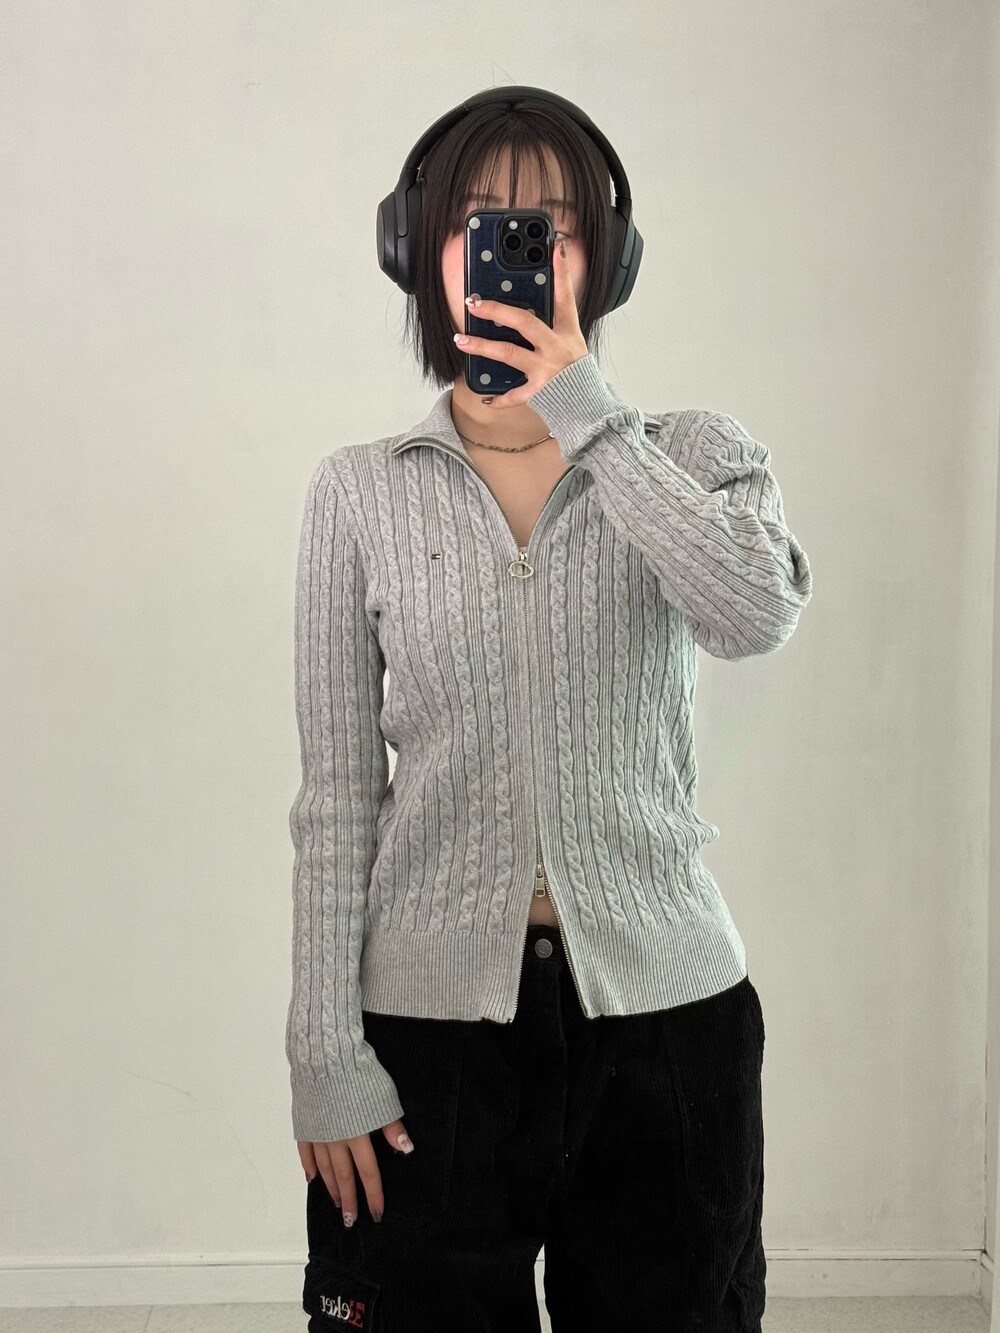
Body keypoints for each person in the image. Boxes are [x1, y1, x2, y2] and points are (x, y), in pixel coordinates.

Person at [288, 87, 812, 1333]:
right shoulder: (358, 492)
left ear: (606, 261)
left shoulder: (690, 453)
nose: (519, 253)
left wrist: (586, 415)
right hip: (427, 1043)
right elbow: (338, 798)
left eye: (554, 227)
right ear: (417, 248)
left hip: (667, 1028)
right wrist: (323, 1050)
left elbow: (755, 614)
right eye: (482, 221)